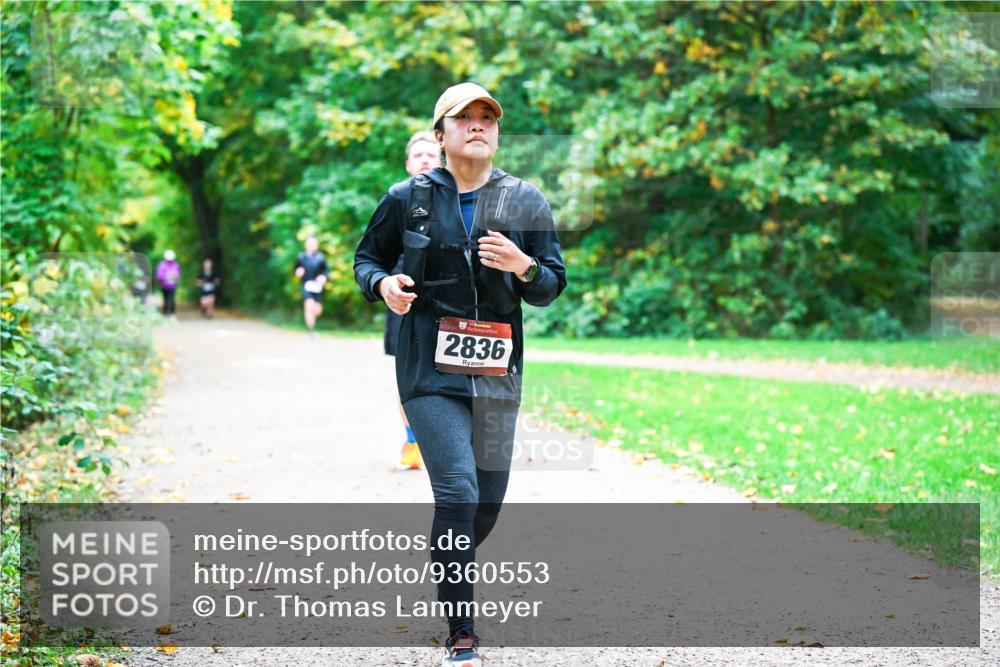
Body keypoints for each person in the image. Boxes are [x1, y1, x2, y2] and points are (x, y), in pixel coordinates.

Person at [354, 82, 566, 666]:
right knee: (457, 490)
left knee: (486, 505)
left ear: (496, 132)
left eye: (487, 118)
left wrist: (524, 267)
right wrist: (383, 285)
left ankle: (450, 560)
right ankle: (462, 634)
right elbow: (366, 259)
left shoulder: (525, 200)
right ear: (441, 133)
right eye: (464, 118)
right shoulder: (407, 197)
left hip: (498, 370)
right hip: (429, 368)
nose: (478, 126)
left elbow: (551, 284)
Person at [389, 131, 440, 470]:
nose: (424, 159)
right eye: (418, 155)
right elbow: (374, 256)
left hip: (444, 303)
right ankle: (412, 441)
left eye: (431, 154)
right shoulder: (396, 201)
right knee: (405, 375)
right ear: (408, 164)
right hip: (402, 301)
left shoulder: (459, 200)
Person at [294, 236, 328, 337]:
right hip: (306, 285)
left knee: (317, 310)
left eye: (314, 244)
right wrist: (298, 272)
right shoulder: (300, 257)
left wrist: (323, 277)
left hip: (318, 287)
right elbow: (295, 270)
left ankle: (312, 325)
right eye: (310, 243)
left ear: (317, 246)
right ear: (306, 245)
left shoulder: (321, 257)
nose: (312, 246)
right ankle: (311, 330)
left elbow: (326, 271)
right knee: (309, 305)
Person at [155, 250, 180, 316]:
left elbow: (177, 274)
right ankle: (166, 312)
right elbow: (159, 275)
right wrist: (165, 277)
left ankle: (172, 312)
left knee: (171, 298)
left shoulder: (175, 265)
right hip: (164, 285)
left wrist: (174, 275)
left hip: (172, 285)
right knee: (166, 299)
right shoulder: (162, 265)